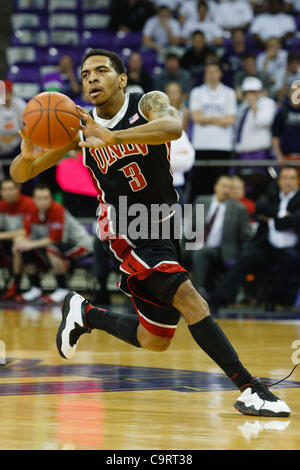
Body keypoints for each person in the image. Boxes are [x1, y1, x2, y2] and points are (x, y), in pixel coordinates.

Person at [10, 48, 290, 417]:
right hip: (127, 224)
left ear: (122, 79)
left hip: (166, 221)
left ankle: (84, 313)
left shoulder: (147, 103)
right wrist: (28, 154)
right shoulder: (76, 125)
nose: (91, 78)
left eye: (101, 71)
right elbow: (19, 175)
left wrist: (111, 137)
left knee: (154, 339)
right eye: (86, 73)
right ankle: (251, 388)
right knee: (193, 301)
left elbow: (173, 128)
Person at [211, 166, 300, 310]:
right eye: (284, 178)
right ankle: (219, 299)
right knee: (245, 259)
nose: (288, 182)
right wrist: (283, 216)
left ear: (297, 180)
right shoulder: (273, 194)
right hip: (267, 245)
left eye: (291, 178)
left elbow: (295, 220)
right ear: (279, 181)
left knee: (289, 259)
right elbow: (260, 206)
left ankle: (276, 301)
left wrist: (273, 218)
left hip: (291, 248)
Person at [12, 184, 94, 303]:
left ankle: (62, 288)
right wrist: (19, 241)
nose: (43, 201)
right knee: (24, 249)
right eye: (39, 198)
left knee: (51, 249)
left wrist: (28, 244)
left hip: (81, 245)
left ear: (51, 199)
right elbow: (27, 233)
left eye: (46, 198)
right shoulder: (31, 211)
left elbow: (55, 239)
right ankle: (36, 288)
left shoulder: (57, 209)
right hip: (59, 245)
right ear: (34, 200)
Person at [190, 175, 252, 299]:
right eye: (224, 186)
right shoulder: (202, 200)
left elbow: (246, 234)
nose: (227, 190)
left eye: (230, 187)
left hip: (220, 251)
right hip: (194, 244)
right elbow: (189, 226)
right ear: (215, 187)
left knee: (202, 252)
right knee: (172, 252)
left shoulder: (238, 208)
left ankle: (194, 296)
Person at [189, 61, 237, 199]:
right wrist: (219, 119)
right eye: (209, 72)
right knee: (200, 184)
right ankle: (199, 217)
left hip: (222, 146)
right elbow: (197, 118)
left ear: (220, 74)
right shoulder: (197, 92)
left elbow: (230, 120)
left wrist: (207, 119)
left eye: (215, 71)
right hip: (201, 145)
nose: (212, 75)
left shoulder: (229, 93)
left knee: (221, 183)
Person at [233, 76, 277, 192]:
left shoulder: (268, 103)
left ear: (260, 91)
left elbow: (262, 121)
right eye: (247, 92)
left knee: (259, 184)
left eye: (253, 92)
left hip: (259, 153)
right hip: (242, 153)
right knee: (243, 186)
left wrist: (254, 105)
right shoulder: (243, 107)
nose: (250, 95)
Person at [0, 179, 35, 300]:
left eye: (11, 189)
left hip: (30, 244)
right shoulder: (1, 206)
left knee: (19, 241)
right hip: (7, 244)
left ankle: (15, 284)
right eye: (5, 190)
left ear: (18, 189)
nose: (8, 193)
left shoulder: (29, 203)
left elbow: (26, 231)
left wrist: (3, 235)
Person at [0, 80, 26, 178]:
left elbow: (26, 127)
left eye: (8, 92)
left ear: (12, 92)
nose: (6, 95)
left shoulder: (20, 105)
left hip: (16, 145)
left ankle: (18, 185)